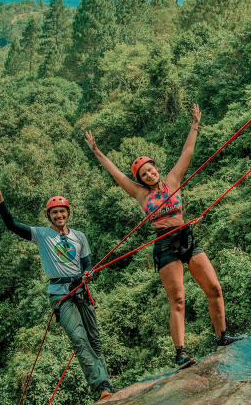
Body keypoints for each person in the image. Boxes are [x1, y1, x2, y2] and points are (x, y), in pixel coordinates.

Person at [85, 104, 240, 368]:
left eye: (150, 169)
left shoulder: (172, 180)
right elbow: (116, 174)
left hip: (187, 236)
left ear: (156, 168)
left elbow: (187, 152)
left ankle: (222, 336)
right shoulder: (140, 194)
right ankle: (180, 353)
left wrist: (195, 123)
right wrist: (97, 151)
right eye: (144, 173)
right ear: (141, 179)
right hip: (165, 243)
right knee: (178, 299)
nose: (149, 173)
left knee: (214, 288)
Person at [0, 175, 115, 401]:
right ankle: (100, 385)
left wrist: (89, 274)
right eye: (54, 212)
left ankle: (107, 386)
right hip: (60, 294)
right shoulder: (42, 235)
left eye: (62, 211)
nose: (59, 215)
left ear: (68, 213)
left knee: (94, 339)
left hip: (81, 291)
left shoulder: (80, 237)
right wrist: (0, 202)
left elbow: (88, 265)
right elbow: (12, 225)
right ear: (49, 216)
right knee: (78, 337)